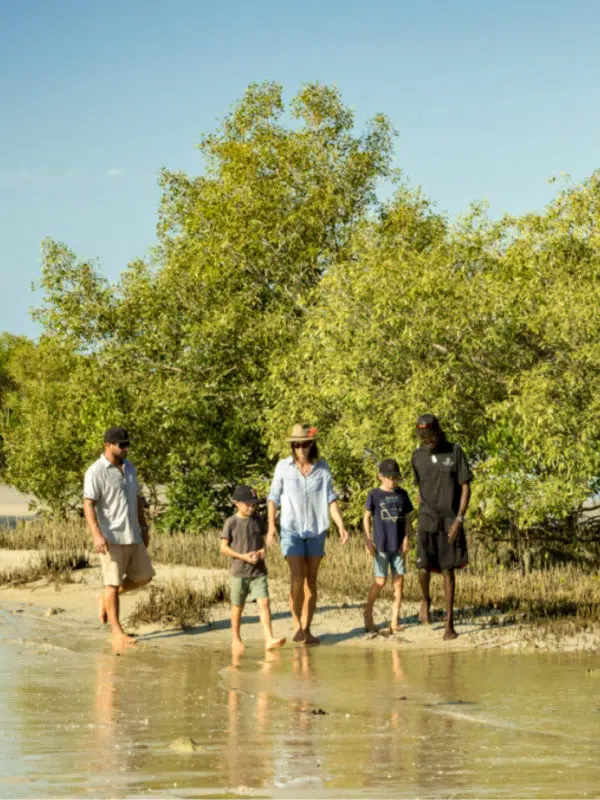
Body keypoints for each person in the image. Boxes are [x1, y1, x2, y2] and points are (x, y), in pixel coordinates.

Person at [267, 424, 349, 645]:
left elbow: (330, 499)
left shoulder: (323, 469)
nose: (300, 449)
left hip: (316, 529)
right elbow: (273, 498)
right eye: (296, 445)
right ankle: (296, 624)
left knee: (311, 580)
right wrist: (271, 526)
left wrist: (340, 525)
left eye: (304, 444)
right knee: (297, 577)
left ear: (312, 444)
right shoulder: (283, 467)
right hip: (290, 529)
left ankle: (307, 628)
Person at [83, 426, 154, 650]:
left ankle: (105, 599)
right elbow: (88, 504)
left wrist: (144, 527)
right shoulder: (95, 471)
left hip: (133, 533)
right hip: (111, 537)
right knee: (112, 583)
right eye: (121, 445)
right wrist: (97, 535)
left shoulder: (130, 468)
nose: (125, 448)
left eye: (127, 444)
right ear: (108, 445)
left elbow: (138, 498)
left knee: (145, 576)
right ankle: (117, 632)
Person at [411, 413, 473, 640]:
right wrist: (422, 511)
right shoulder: (417, 456)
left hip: (450, 519)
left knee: (448, 570)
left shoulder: (454, 451)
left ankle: (449, 623)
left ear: (438, 431)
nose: (428, 440)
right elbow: (419, 488)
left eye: (431, 435)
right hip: (427, 518)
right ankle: (426, 599)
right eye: (424, 436)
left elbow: (465, 486)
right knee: (422, 568)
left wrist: (459, 519)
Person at [220, 484, 286, 653]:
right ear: (236, 503)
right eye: (248, 504)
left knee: (264, 603)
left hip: (258, 571)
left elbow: (263, 540)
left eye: (254, 504)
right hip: (239, 572)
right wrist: (243, 557)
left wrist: (263, 551)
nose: (251, 507)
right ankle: (235, 639)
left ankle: (269, 638)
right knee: (238, 606)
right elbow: (223, 548)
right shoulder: (231, 522)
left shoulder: (258, 519)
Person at [363, 459, 414, 634]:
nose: (392, 480)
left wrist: (407, 537)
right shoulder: (374, 495)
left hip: (398, 545)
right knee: (380, 581)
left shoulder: (403, 494)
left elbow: (408, 518)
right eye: (388, 477)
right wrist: (368, 540)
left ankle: (394, 621)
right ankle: (368, 615)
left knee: (399, 583)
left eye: (395, 477)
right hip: (381, 545)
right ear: (380, 477)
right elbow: (366, 517)